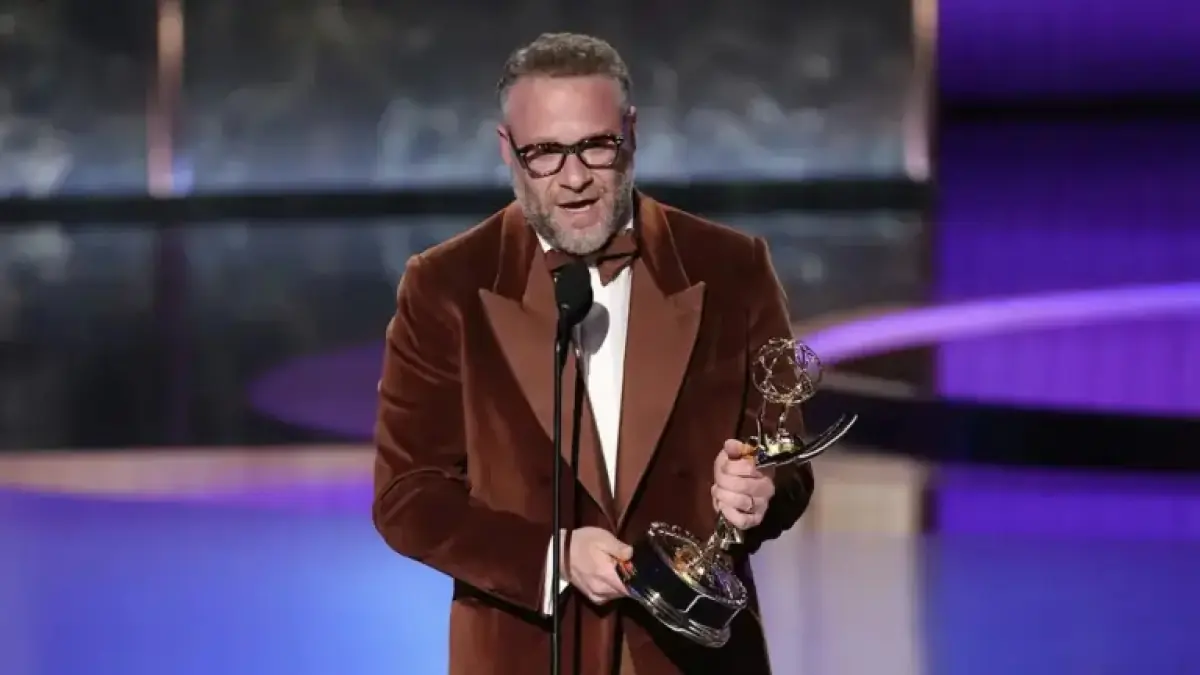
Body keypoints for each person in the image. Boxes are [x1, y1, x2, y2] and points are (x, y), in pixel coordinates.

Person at [372, 32, 814, 675]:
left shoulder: (731, 268)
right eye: (545, 153)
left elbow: (787, 459)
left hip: (691, 657)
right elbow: (408, 496)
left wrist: (761, 492)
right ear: (507, 150)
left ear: (631, 133)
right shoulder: (446, 285)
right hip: (527, 654)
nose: (574, 177)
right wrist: (552, 558)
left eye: (595, 146)